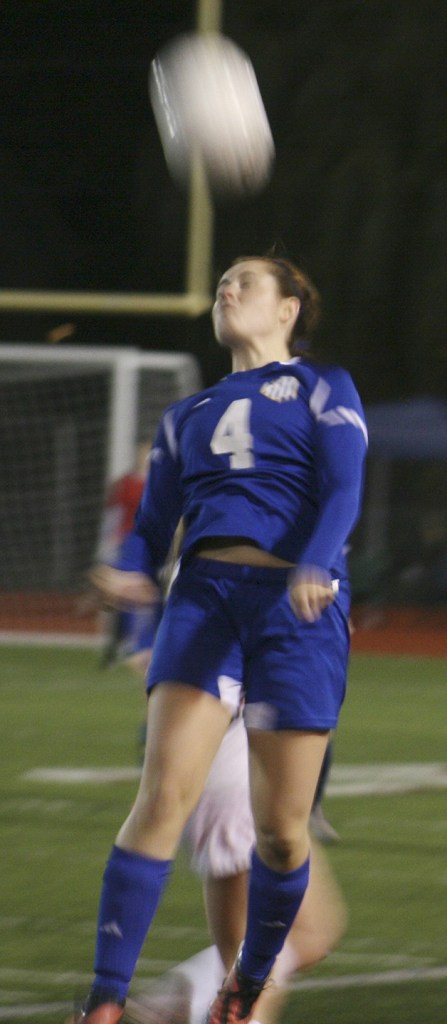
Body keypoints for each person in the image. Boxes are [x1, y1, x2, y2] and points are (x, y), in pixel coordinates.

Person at [74, 254, 367, 1024]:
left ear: (287, 310)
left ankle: (247, 983)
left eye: (245, 282)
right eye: (220, 284)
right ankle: (105, 1001)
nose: (226, 291)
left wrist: (313, 561)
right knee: (161, 797)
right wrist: (125, 569)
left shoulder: (322, 387)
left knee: (280, 831)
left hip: (293, 612)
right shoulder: (186, 415)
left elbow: (343, 488)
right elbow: (148, 532)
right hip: (203, 600)